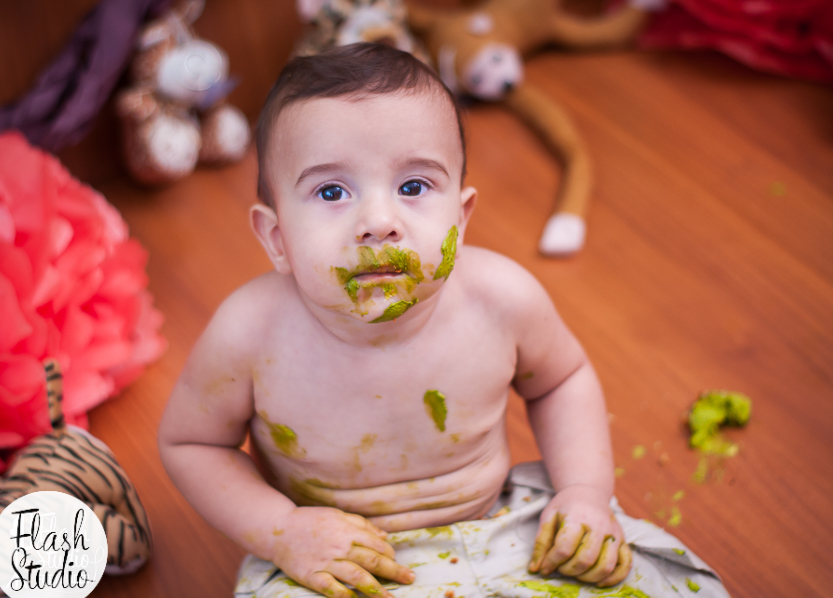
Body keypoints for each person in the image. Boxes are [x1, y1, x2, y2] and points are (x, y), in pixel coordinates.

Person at [158, 43, 728, 598]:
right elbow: (192, 443)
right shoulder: (250, 334)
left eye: (413, 186)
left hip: (504, 524)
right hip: (333, 560)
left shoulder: (502, 298)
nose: (378, 222)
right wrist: (282, 531)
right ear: (278, 239)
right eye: (332, 191)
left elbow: (562, 379)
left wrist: (583, 494)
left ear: (461, 214)